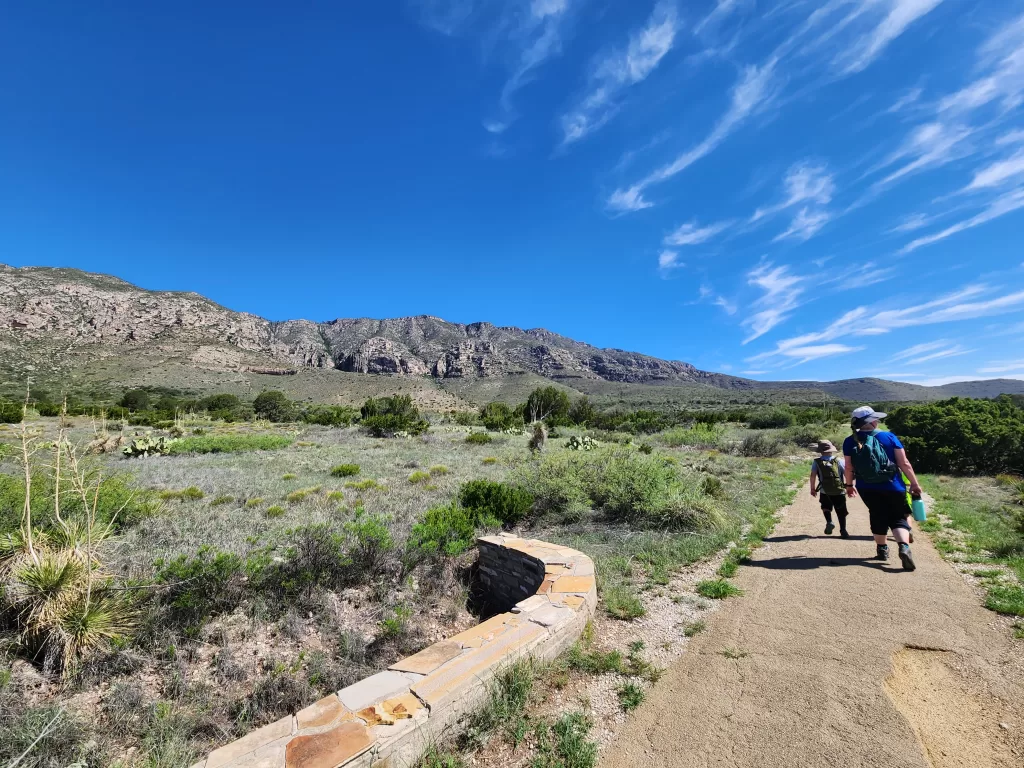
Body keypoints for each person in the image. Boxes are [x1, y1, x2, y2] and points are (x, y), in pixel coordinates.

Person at [843, 406, 923, 571]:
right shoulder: (889, 437)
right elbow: (904, 463)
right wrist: (914, 483)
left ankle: (882, 550)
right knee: (898, 517)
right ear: (872, 421)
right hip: (893, 485)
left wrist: (849, 485)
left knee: (878, 514)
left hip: (866, 487)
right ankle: (904, 547)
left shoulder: (849, 441)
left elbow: (849, 467)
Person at [809, 440, 849, 537]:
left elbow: (812, 476)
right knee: (841, 511)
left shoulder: (817, 462)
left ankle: (829, 521)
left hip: (824, 490)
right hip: (839, 491)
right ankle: (843, 530)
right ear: (831, 450)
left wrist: (812, 489)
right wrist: (849, 486)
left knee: (826, 507)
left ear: (820, 451)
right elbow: (847, 474)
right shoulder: (839, 461)